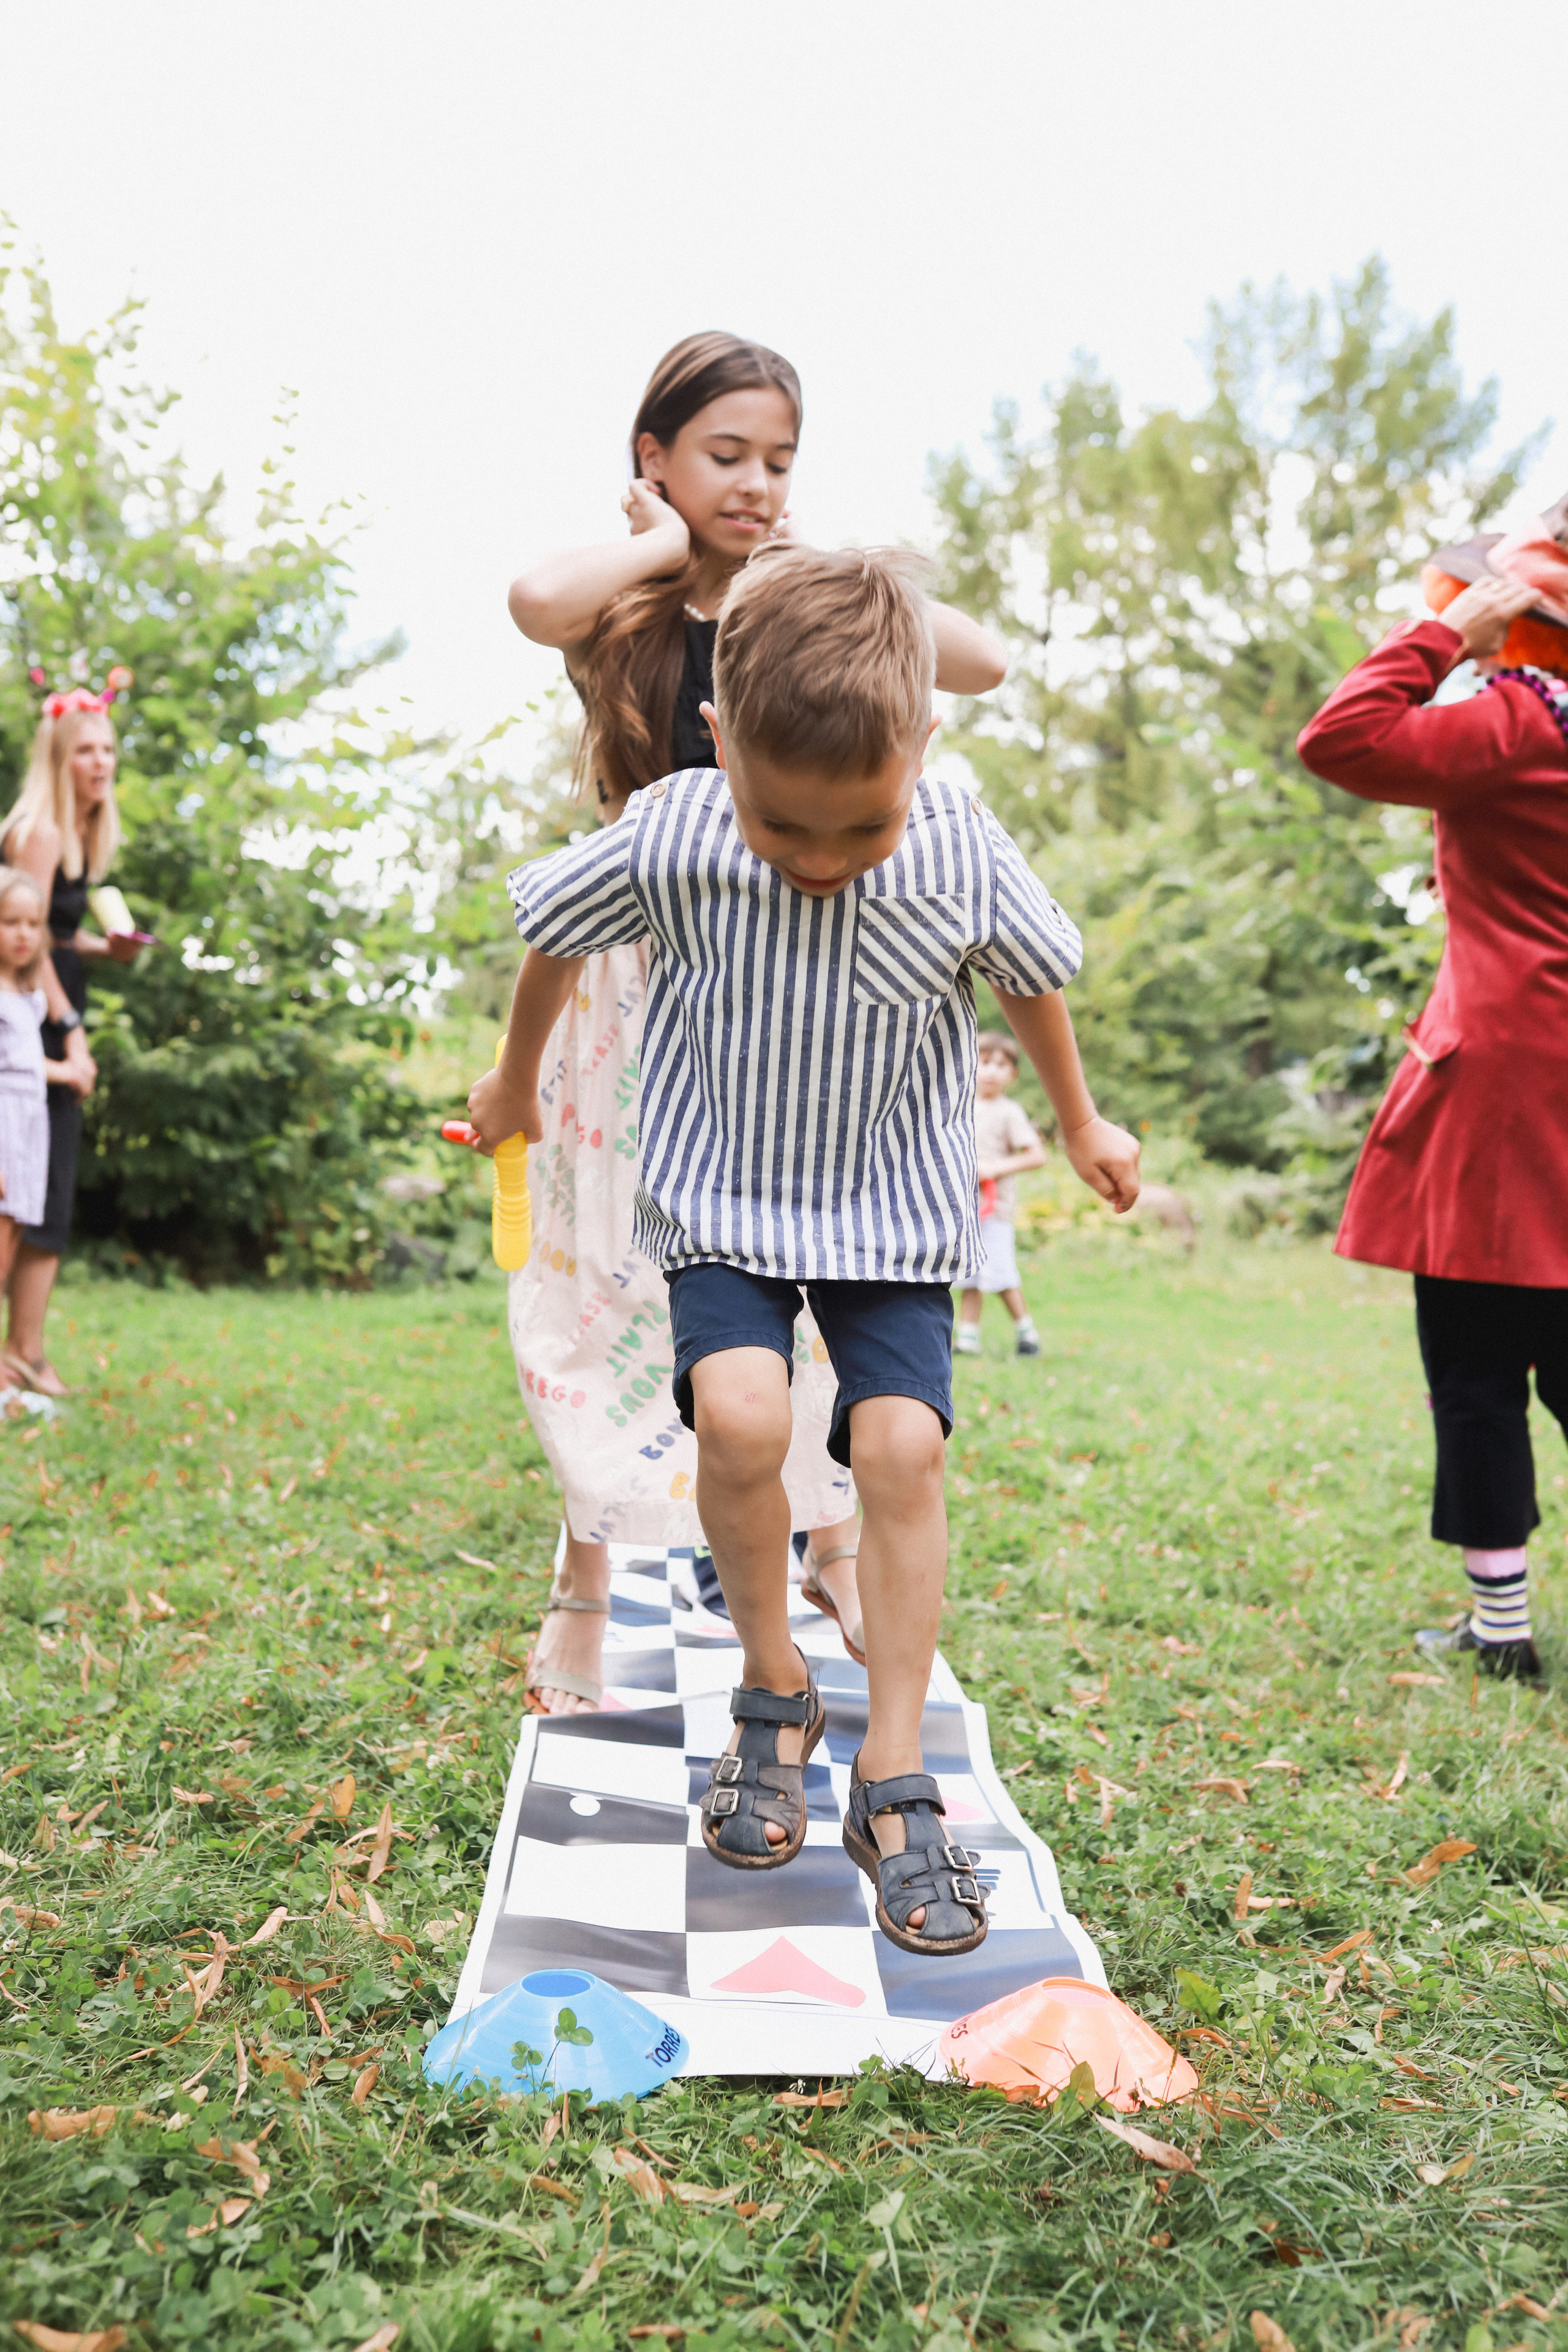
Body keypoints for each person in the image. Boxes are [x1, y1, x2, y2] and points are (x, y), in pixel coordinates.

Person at [470, 543, 1140, 1958]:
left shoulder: (959, 842)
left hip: (890, 1209)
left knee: (900, 1449)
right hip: (719, 1194)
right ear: (721, 740)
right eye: (784, 827)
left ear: (922, 743)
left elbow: (1031, 978)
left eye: (862, 827)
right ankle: (772, 1688)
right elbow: (550, 935)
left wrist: (1079, 1120)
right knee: (739, 1415)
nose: (822, 863)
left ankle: (891, 1770)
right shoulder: (672, 828)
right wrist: (514, 1081)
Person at [497, 331, 1009, 1708]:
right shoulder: (627, 603)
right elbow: (534, 599)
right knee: (612, 1285)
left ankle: (830, 1544)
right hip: (632, 991)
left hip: (789, 1000)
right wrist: (666, 544)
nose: (756, 483)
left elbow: (981, 664)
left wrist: (812, 563)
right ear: (653, 455)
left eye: (779, 460)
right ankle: (585, 1575)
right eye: (725, 455)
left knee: (819, 1265)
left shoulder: (802, 598)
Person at [1297, 497, 1568, 1684]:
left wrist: (1442, 642)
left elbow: (1338, 739)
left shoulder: (1514, 723)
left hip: (1501, 1094)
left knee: (1474, 1363)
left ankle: (1500, 1631)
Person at [2, 679, 142, 1394]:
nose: (101, 762)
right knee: (23, 1191)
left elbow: (55, 935)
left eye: (108, 749)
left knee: (50, 1188)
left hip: (55, 1015)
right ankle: (19, 1356)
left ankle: (25, 1352)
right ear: (59, 758)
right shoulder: (42, 832)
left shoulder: (78, 835)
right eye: (86, 750)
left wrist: (101, 947)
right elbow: (25, 948)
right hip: (33, 1026)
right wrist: (72, 1032)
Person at [954, 1030, 1049, 1357]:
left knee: (1000, 1273)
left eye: (1001, 1065)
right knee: (970, 1275)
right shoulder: (960, 1106)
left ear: (1013, 1074)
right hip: (965, 1208)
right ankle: (968, 1337)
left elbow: (1036, 1155)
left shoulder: (1009, 1111)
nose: (991, 1071)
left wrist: (994, 1168)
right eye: (984, 1062)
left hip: (995, 1209)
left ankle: (1027, 1333)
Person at [0, 870, 69, 1318]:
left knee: (9, 1247)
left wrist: (67, 1072)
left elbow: (22, 1065)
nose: (24, 934)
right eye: (10, 922)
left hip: (28, 1130)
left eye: (33, 923)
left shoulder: (29, 994)